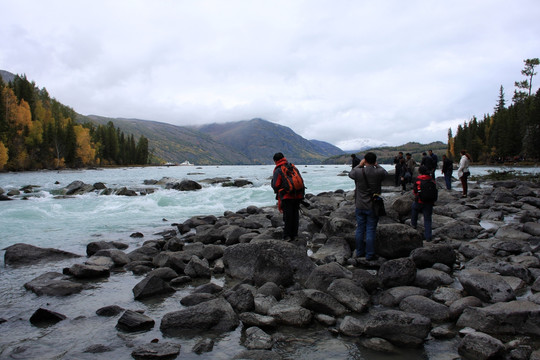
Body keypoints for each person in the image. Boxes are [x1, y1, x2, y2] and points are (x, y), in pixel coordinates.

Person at [349, 152, 388, 260]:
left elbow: (350, 174)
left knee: (360, 229)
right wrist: (377, 165)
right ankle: (370, 254)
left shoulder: (358, 171)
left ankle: (360, 252)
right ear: (375, 160)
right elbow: (385, 173)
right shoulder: (378, 172)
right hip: (372, 205)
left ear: (365, 160)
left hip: (360, 204)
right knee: (371, 229)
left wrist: (360, 165)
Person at [271, 152, 305, 241]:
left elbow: (276, 185)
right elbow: (301, 180)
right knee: (295, 215)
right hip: (297, 195)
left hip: (287, 196)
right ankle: (295, 235)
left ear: (275, 161)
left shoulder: (278, 169)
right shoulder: (292, 167)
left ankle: (287, 236)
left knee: (288, 216)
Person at [411, 165, 436, 242]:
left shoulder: (418, 180)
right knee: (428, 219)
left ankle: (413, 226)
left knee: (414, 209)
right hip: (429, 202)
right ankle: (428, 237)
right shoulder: (431, 180)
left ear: (420, 172)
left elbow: (414, 191)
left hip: (419, 201)